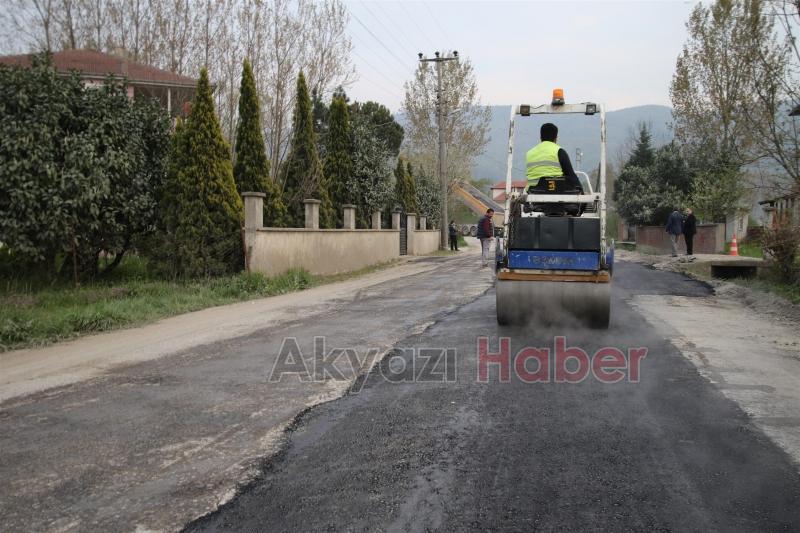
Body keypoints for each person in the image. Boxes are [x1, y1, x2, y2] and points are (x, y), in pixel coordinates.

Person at [525, 122, 581, 192]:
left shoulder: (529, 153)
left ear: (540, 137)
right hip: (556, 191)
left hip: (533, 191)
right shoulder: (559, 151)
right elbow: (571, 174)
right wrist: (581, 191)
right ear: (555, 138)